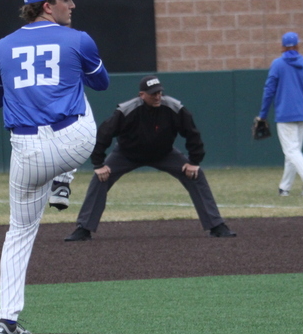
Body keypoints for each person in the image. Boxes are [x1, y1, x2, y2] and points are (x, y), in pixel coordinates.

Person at [0, 0, 109, 334]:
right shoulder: (79, 39)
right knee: (80, 96)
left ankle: (5, 321)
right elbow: (102, 83)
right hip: (75, 142)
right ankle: (64, 182)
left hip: (26, 152)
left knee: (18, 232)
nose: (73, 4)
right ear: (46, 5)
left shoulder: (3, 46)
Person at [64, 75, 236, 242]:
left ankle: (216, 226)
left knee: (196, 175)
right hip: (126, 154)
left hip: (164, 154)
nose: (157, 96)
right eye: (153, 93)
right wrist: (99, 164)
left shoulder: (174, 108)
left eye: (159, 92)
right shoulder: (127, 110)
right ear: (142, 95)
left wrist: (194, 162)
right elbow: (103, 135)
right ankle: (83, 229)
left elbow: (192, 133)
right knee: (100, 179)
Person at [257, 31, 303, 197]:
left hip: (285, 115)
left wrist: (263, 114)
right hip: (302, 114)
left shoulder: (278, 64)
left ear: (282, 46)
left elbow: (269, 91)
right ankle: (284, 188)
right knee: (293, 152)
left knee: (292, 151)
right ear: (298, 45)